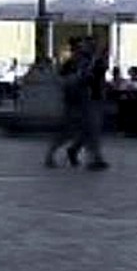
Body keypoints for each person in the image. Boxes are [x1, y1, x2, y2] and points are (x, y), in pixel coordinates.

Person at [41, 35, 108, 170]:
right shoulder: (75, 61)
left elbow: (98, 75)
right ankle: (52, 155)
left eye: (93, 45)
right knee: (69, 130)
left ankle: (93, 157)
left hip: (92, 98)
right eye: (88, 45)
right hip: (77, 99)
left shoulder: (95, 60)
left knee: (91, 130)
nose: (91, 47)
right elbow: (65, 78)